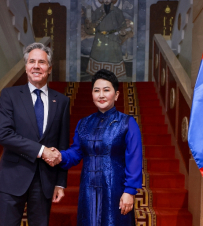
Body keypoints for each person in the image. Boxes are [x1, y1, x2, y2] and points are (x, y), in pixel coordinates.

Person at [0, 42, 70, 226]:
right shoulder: (9, 95)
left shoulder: (61, 101)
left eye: (42, 62)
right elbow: (4, 134)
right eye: (32, 61)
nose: (36, 66)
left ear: (49, 68)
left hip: (44, 182)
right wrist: (42, 150)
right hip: (12, 179)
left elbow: (63, 143)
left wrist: (60, 183)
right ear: (26, 66)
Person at [58, 69, 142, 225]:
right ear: (92, 94)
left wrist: (130, 191)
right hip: (88, 191)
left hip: (115, 190)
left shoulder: (127, 123)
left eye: (106, 90)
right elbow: (76, 152)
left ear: (116, 95)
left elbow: (135, 159)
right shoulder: (83, 123)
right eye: (96, 91)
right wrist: (59, 156)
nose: (101, 95)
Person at [85, 0, 128, 78]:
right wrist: (89, 24)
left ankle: (115, 76)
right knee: (98, 57)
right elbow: (92, 26)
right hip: (100, 38)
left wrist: (123, 31)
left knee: (114, 57)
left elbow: (123, 24)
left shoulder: (117, 11)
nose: (107, 0)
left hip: (113, 38)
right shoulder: (97, 11)